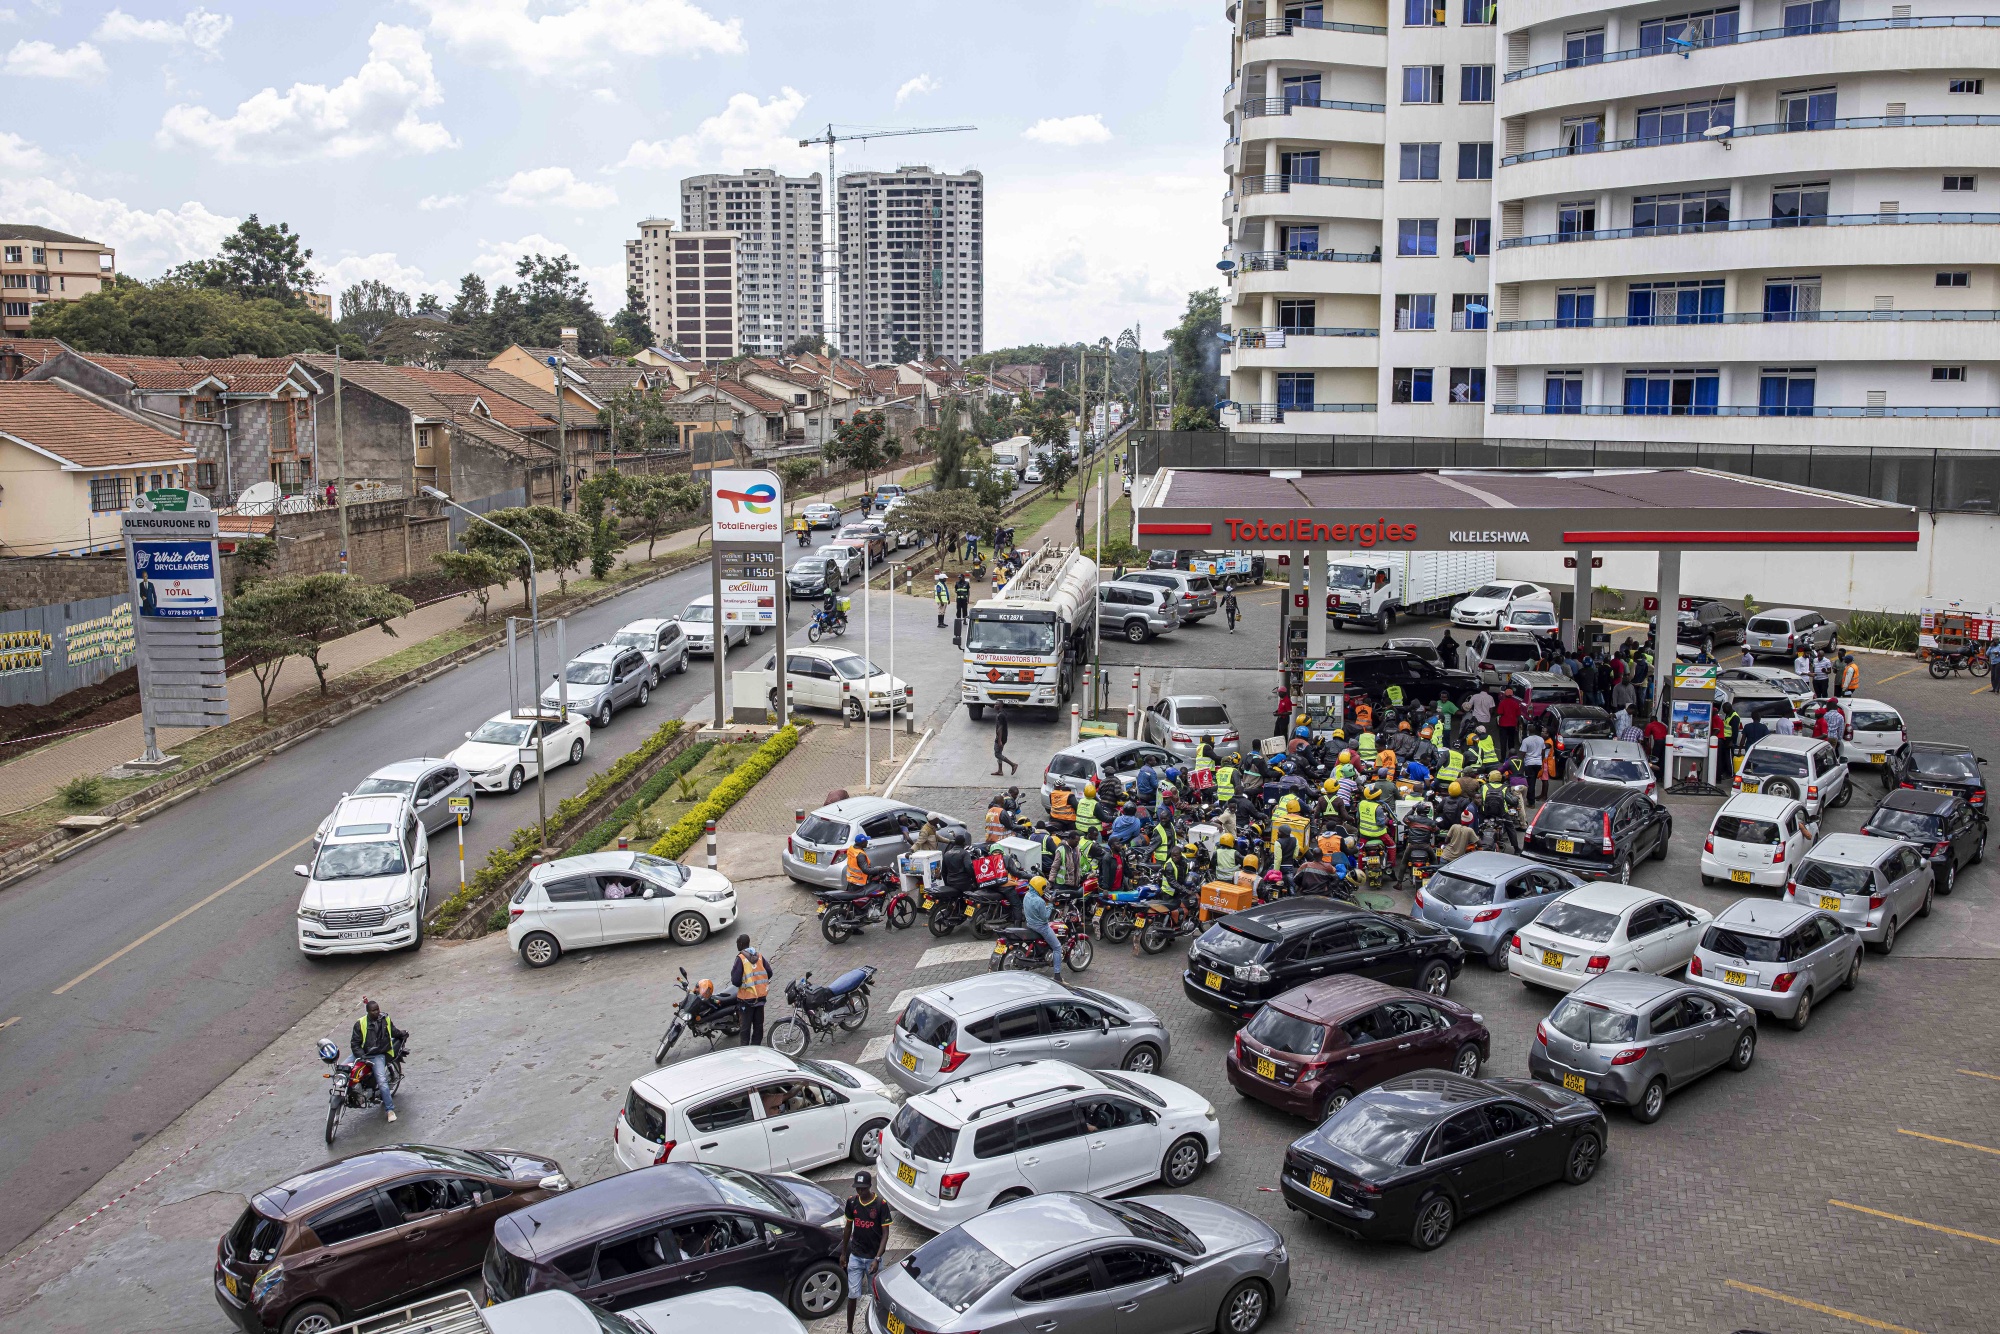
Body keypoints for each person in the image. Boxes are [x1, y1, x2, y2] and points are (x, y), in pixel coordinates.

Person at [842, 1171, 893, 1332]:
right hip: (856, 1257)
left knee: (875, 1297)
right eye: (857, 1188)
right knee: (852, 1294)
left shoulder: (881, 1204)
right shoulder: (852, 1203)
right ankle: (849, 1329)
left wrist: (877, 1258)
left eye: (863, 1189)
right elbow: (848, 1228)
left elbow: (885, 1234)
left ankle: (876, 1326)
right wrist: (844, 1253)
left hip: (873, 1259)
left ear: (870, 1187)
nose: (860, 1192)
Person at [349, 999, 408, 1122]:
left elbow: (393, 1031)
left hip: (377, 1054)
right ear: (367, 1012)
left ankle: (390, 1110)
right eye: (373, 1010)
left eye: (377, 1009)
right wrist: (362, 1056)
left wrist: (402, 1033)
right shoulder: (360, 1024)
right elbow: (355, 1044)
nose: (376, 1012)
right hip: (362, 1053)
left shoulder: (385, 1019)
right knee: (343, 1069)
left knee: (382, 1081)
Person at [731, 933, 770, 1046]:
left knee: (745, 1028)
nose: (737, 945)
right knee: (758, 1026)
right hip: (760, 998)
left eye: (738, 943)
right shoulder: (760, 956)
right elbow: (769, 972)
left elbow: (736, 981)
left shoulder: (741, 959)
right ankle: (756, 1048)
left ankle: (745, 1051)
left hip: (746, 1000)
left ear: (741, 944)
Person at [1022, 877, 1063, 982]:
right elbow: (1046, 917)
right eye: (1043, 888)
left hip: (1030, 924)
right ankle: (1057, 976)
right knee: (1057, 947)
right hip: (1041, 927)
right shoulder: (1039, 901)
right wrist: (1050, 904)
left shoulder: (1026, 895)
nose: (1045, 890)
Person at [992, 704, 1018, 776]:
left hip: (1000, 737)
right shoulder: (1003, 713)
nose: (994, 705)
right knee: (999, 753)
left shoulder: (1000, 715)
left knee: (997, 754)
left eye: (996, 704)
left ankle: (1013, 765)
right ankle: (1000, 771)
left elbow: (1000, 728)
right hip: (1003, 737)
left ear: (1000, 705)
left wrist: (999, 740)